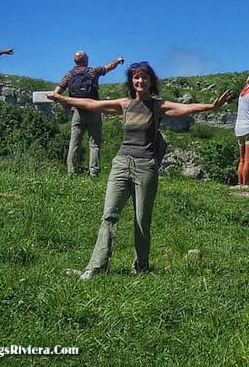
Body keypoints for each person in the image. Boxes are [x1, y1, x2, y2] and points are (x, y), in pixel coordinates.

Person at [49, 62, 233, 280]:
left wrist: (211, 107)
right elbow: (92, 104)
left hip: (146, 166)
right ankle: (96, 268)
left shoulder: (157, 105)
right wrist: (64, 99)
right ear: (131, 81)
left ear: (151, 82)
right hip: (120, 163)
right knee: (109, 215)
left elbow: (185, 108)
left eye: (144, 77)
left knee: (141, 219)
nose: (140, 81)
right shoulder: (124, 104)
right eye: (136, 77)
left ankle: (141, 268)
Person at [54, 51, 125, 177]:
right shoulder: (93, 71)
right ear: (86, 59)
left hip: (77, 113)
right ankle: (94, 172)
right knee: (94, 144)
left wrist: (67, 104)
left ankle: (71, 172)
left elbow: (56, 93)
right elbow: (108, 67)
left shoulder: (69, 75)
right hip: (94, 111)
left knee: (74, 143)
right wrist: (118, 61)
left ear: (75, 61)